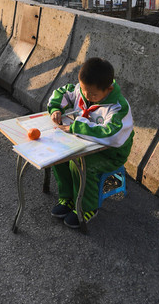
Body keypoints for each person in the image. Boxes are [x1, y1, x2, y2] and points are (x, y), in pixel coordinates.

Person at [47, 57, 134, 229]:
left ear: (108, 89)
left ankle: (87, 207)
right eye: (84, 90)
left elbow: (111, 135)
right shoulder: (84, 89)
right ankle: (68, 197)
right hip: (85, 143)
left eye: (93, 94)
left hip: (109, 153)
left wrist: (76, 126)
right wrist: (56, 108)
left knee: (81, 163)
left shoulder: (118, 107)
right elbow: (63, 93)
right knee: (60, 155)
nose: (87, 96)